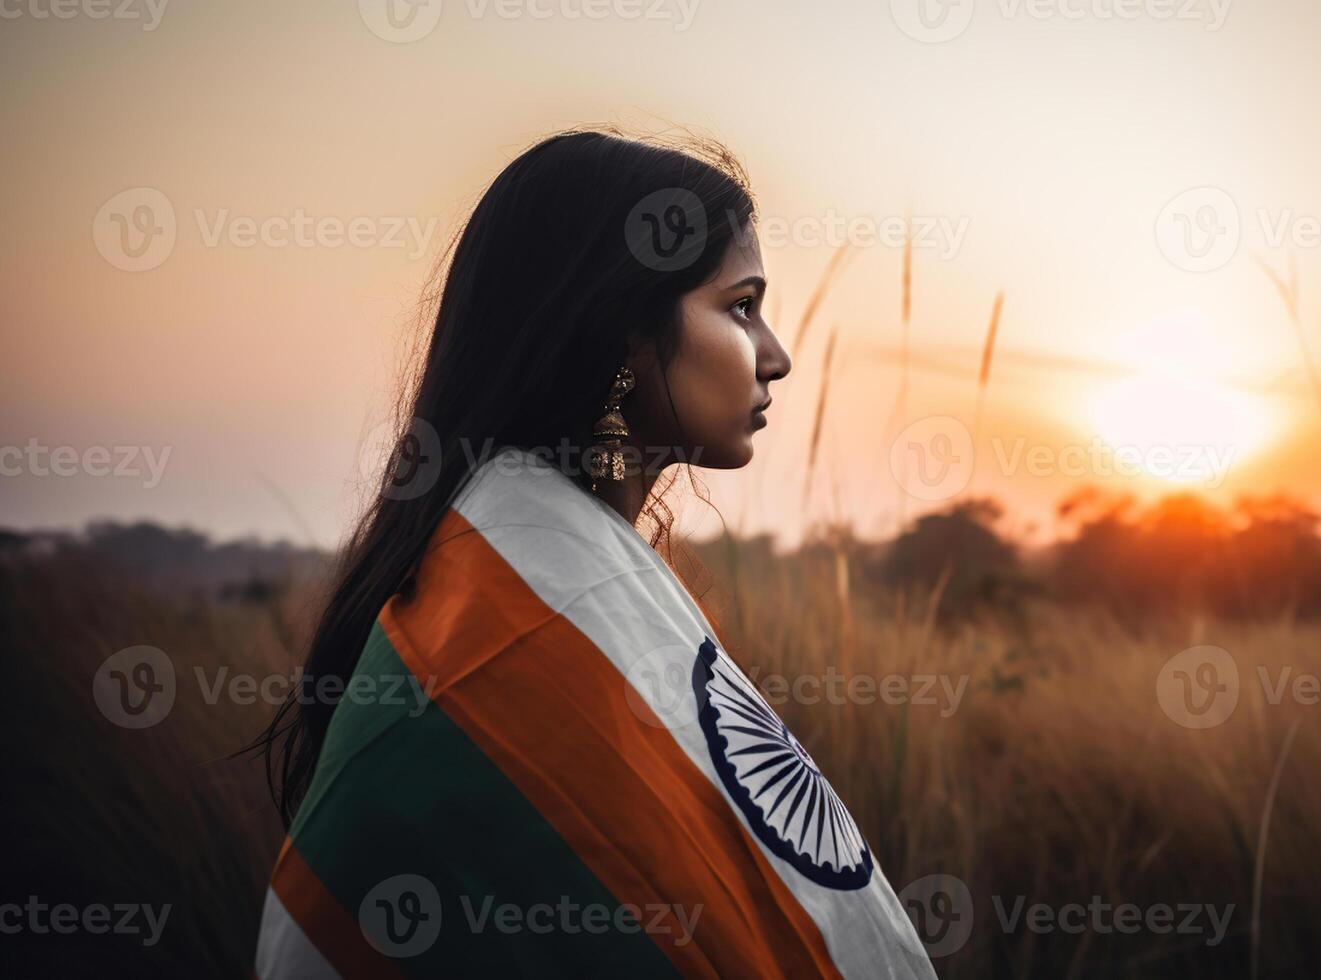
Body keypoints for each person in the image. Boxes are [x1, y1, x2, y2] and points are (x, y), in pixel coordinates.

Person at [250, 130, 933, 979]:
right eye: (741, 307)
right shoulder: (512, 622)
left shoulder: (561, 576)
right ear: (623, 337)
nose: (776, 358)